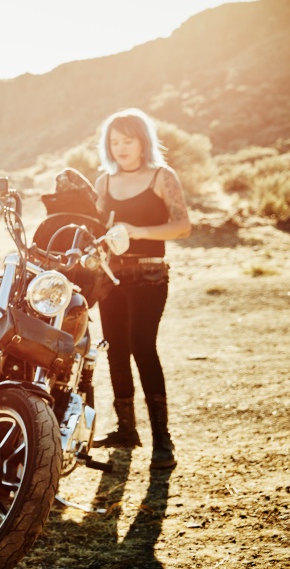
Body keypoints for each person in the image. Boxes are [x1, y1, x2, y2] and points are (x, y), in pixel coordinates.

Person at [91, 107, 191, 470]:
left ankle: (163, 441)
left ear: (142, 140)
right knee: (116, 349)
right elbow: (96, 227)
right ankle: (126, 429)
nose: (120, 147)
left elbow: (183, 226)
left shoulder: (162, 177)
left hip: (149, 274)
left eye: (127, 139)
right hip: (111, 277)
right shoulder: (104, 182)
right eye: (114, 141)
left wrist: (139, 231)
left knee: (141, 347)